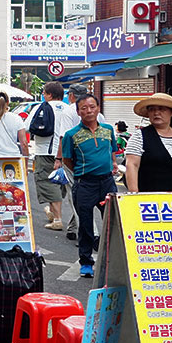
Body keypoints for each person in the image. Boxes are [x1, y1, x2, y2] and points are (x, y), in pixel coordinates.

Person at [61, 94, 116, 278]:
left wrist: (112, 164)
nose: (88, 111)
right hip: (84, 184)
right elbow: (67, 160)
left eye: (92, 107)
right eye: (84, 108)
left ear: (98, 108)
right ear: (78, 112)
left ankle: (112, 262)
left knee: (112, 223)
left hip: (107, 182)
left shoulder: (108, 130)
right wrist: (82, 173)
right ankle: (86, 262)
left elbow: (112, 151)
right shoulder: (71, 135)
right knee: (85, 226)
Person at [125, 94, 172, 193]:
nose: (156, 113)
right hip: (151, 199)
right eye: (152, 109)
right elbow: (132, 165)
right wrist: (134, 194)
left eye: (162, 109)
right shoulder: (140, 136)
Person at [28, 82, 75, 233]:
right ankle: (53, 213)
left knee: (47, 182)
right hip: (66, 153)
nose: (43, 95)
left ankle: (57, 219)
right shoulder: (69, 109)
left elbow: (28, 125)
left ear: (49, 94)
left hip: (45, 151)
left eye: (44, 93)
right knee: (60, 183)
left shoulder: (41, 107)